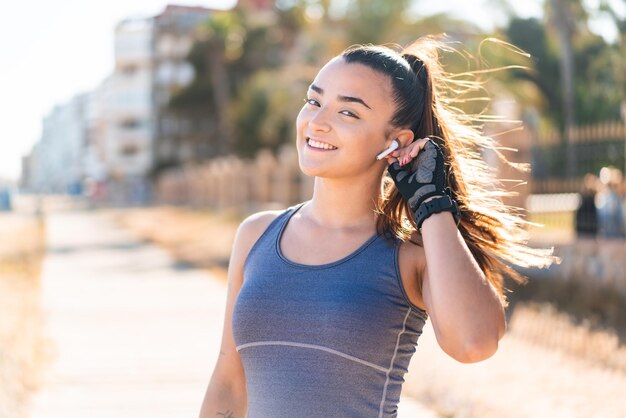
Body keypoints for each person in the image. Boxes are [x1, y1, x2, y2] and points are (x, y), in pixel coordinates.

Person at [199, 37, 554, 418]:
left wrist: (433, 204)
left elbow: (473, 343)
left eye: (348, 113)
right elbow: (228, 383)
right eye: (314, 101)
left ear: (395, 142)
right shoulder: (256, 235)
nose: (317, 122)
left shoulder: (408, 254)